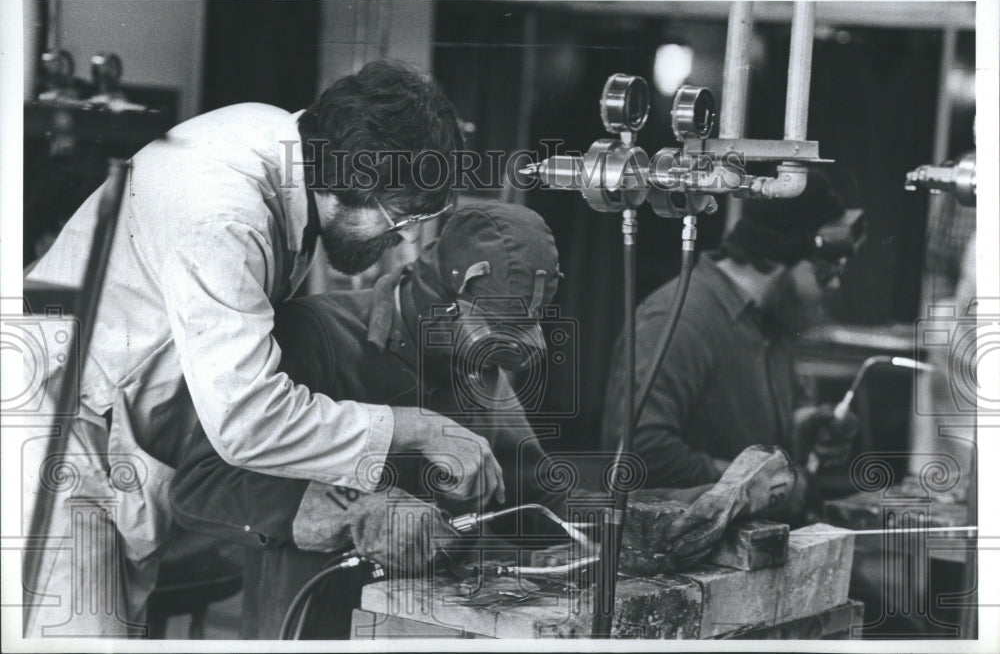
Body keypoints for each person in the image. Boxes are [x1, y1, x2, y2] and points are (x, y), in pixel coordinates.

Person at [21, 60, 504, 637]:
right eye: (402, 217)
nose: (403, 238)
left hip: (107, 435)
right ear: (359, 179)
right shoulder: (224, 214)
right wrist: (416, 427)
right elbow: (247, 416)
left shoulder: (278, 142)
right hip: (55, 440)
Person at [169, 201, 566, 638]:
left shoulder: (476, 366)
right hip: (312, 624)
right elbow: (202, 484)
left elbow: (533, 492)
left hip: (427, 627)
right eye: (488, 333)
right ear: (449, 296)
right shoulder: (318, 332)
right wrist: (359, 513)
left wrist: (611, 525)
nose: (487, 361)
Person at [601, 169, 866, 491]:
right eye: (824, 272)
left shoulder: (771, 320)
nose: (834, 284)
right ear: (776, 257)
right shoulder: (680, 321)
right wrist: (760, 484)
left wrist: (806, 424)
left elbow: (759, 422)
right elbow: (639, 453)